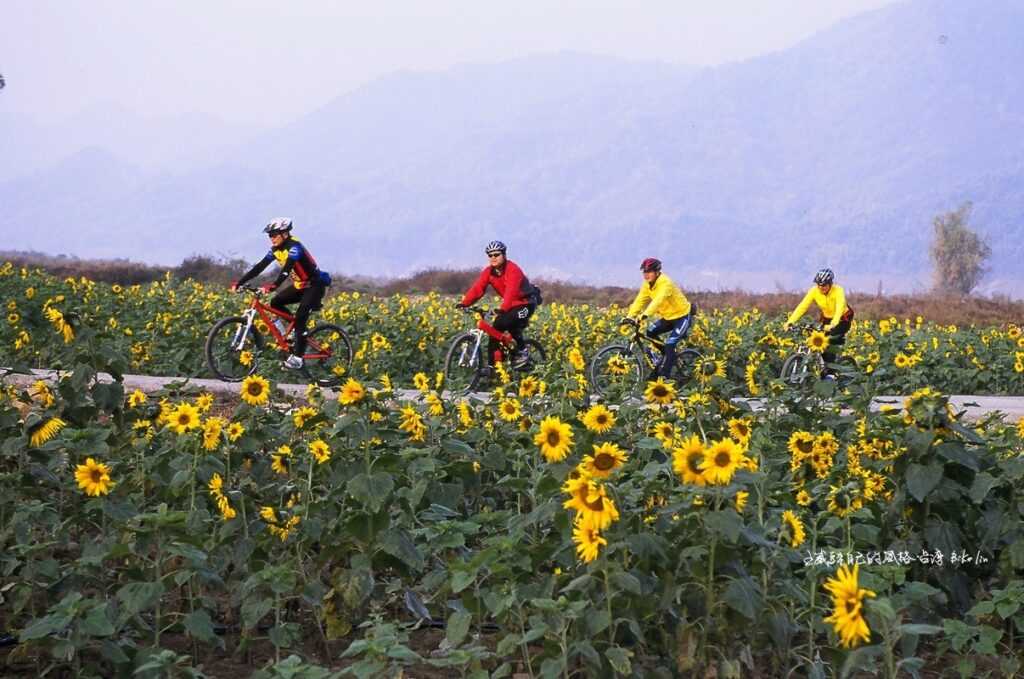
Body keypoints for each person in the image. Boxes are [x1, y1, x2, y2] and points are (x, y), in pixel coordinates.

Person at [231, 218, 331, 369]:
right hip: (300, 286)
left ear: (285, 233)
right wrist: (240, 282)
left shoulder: (294, 247)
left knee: (300, 317)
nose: (271, 238)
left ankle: (297, 358)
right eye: (270, 235)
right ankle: (289, 335)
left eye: (274, 234)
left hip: (314, 286)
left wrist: (273, 286)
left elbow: (287, 269)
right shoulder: (275, 250)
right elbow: (259, 267)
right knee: (275, 303)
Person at [457, 240, 538, 368]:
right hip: (510, 305)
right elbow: (478, 288)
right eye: (490, 255)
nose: (493, 258)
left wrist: (503, 308)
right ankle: (492, 367)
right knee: (494, 331)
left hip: (526, 304)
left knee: (507, 322)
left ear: (504, 255)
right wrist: (465, 303)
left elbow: (511, 290)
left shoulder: (513, 269)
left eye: (496, 254)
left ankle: (523, 351)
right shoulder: (489, 272)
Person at [626, 258, 694, 380]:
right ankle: (667, 357)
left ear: (657, 272)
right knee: (650, 332)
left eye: (649, 272)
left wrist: (645, 315)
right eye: (644, 272)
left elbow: (658, 301)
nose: (646, 275)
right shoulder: (647, 285)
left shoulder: (665, 283)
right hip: (668, 318)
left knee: (670, 343)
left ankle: (664, 377)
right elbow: (639, 301)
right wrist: (629, 316)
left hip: (682, 317)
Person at [783, 268, 854, 373]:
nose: (821, 288)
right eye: (819, 285)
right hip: (827, 319)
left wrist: (833, 324)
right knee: (819, 341)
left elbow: (839, 307)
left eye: (824, 285)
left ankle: (831, 373)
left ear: (830, 284)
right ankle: (822, 366)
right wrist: (790, 321)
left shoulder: (838, 290)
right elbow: (803, 306)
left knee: (829, 341)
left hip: (843, 319)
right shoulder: (814, 291)